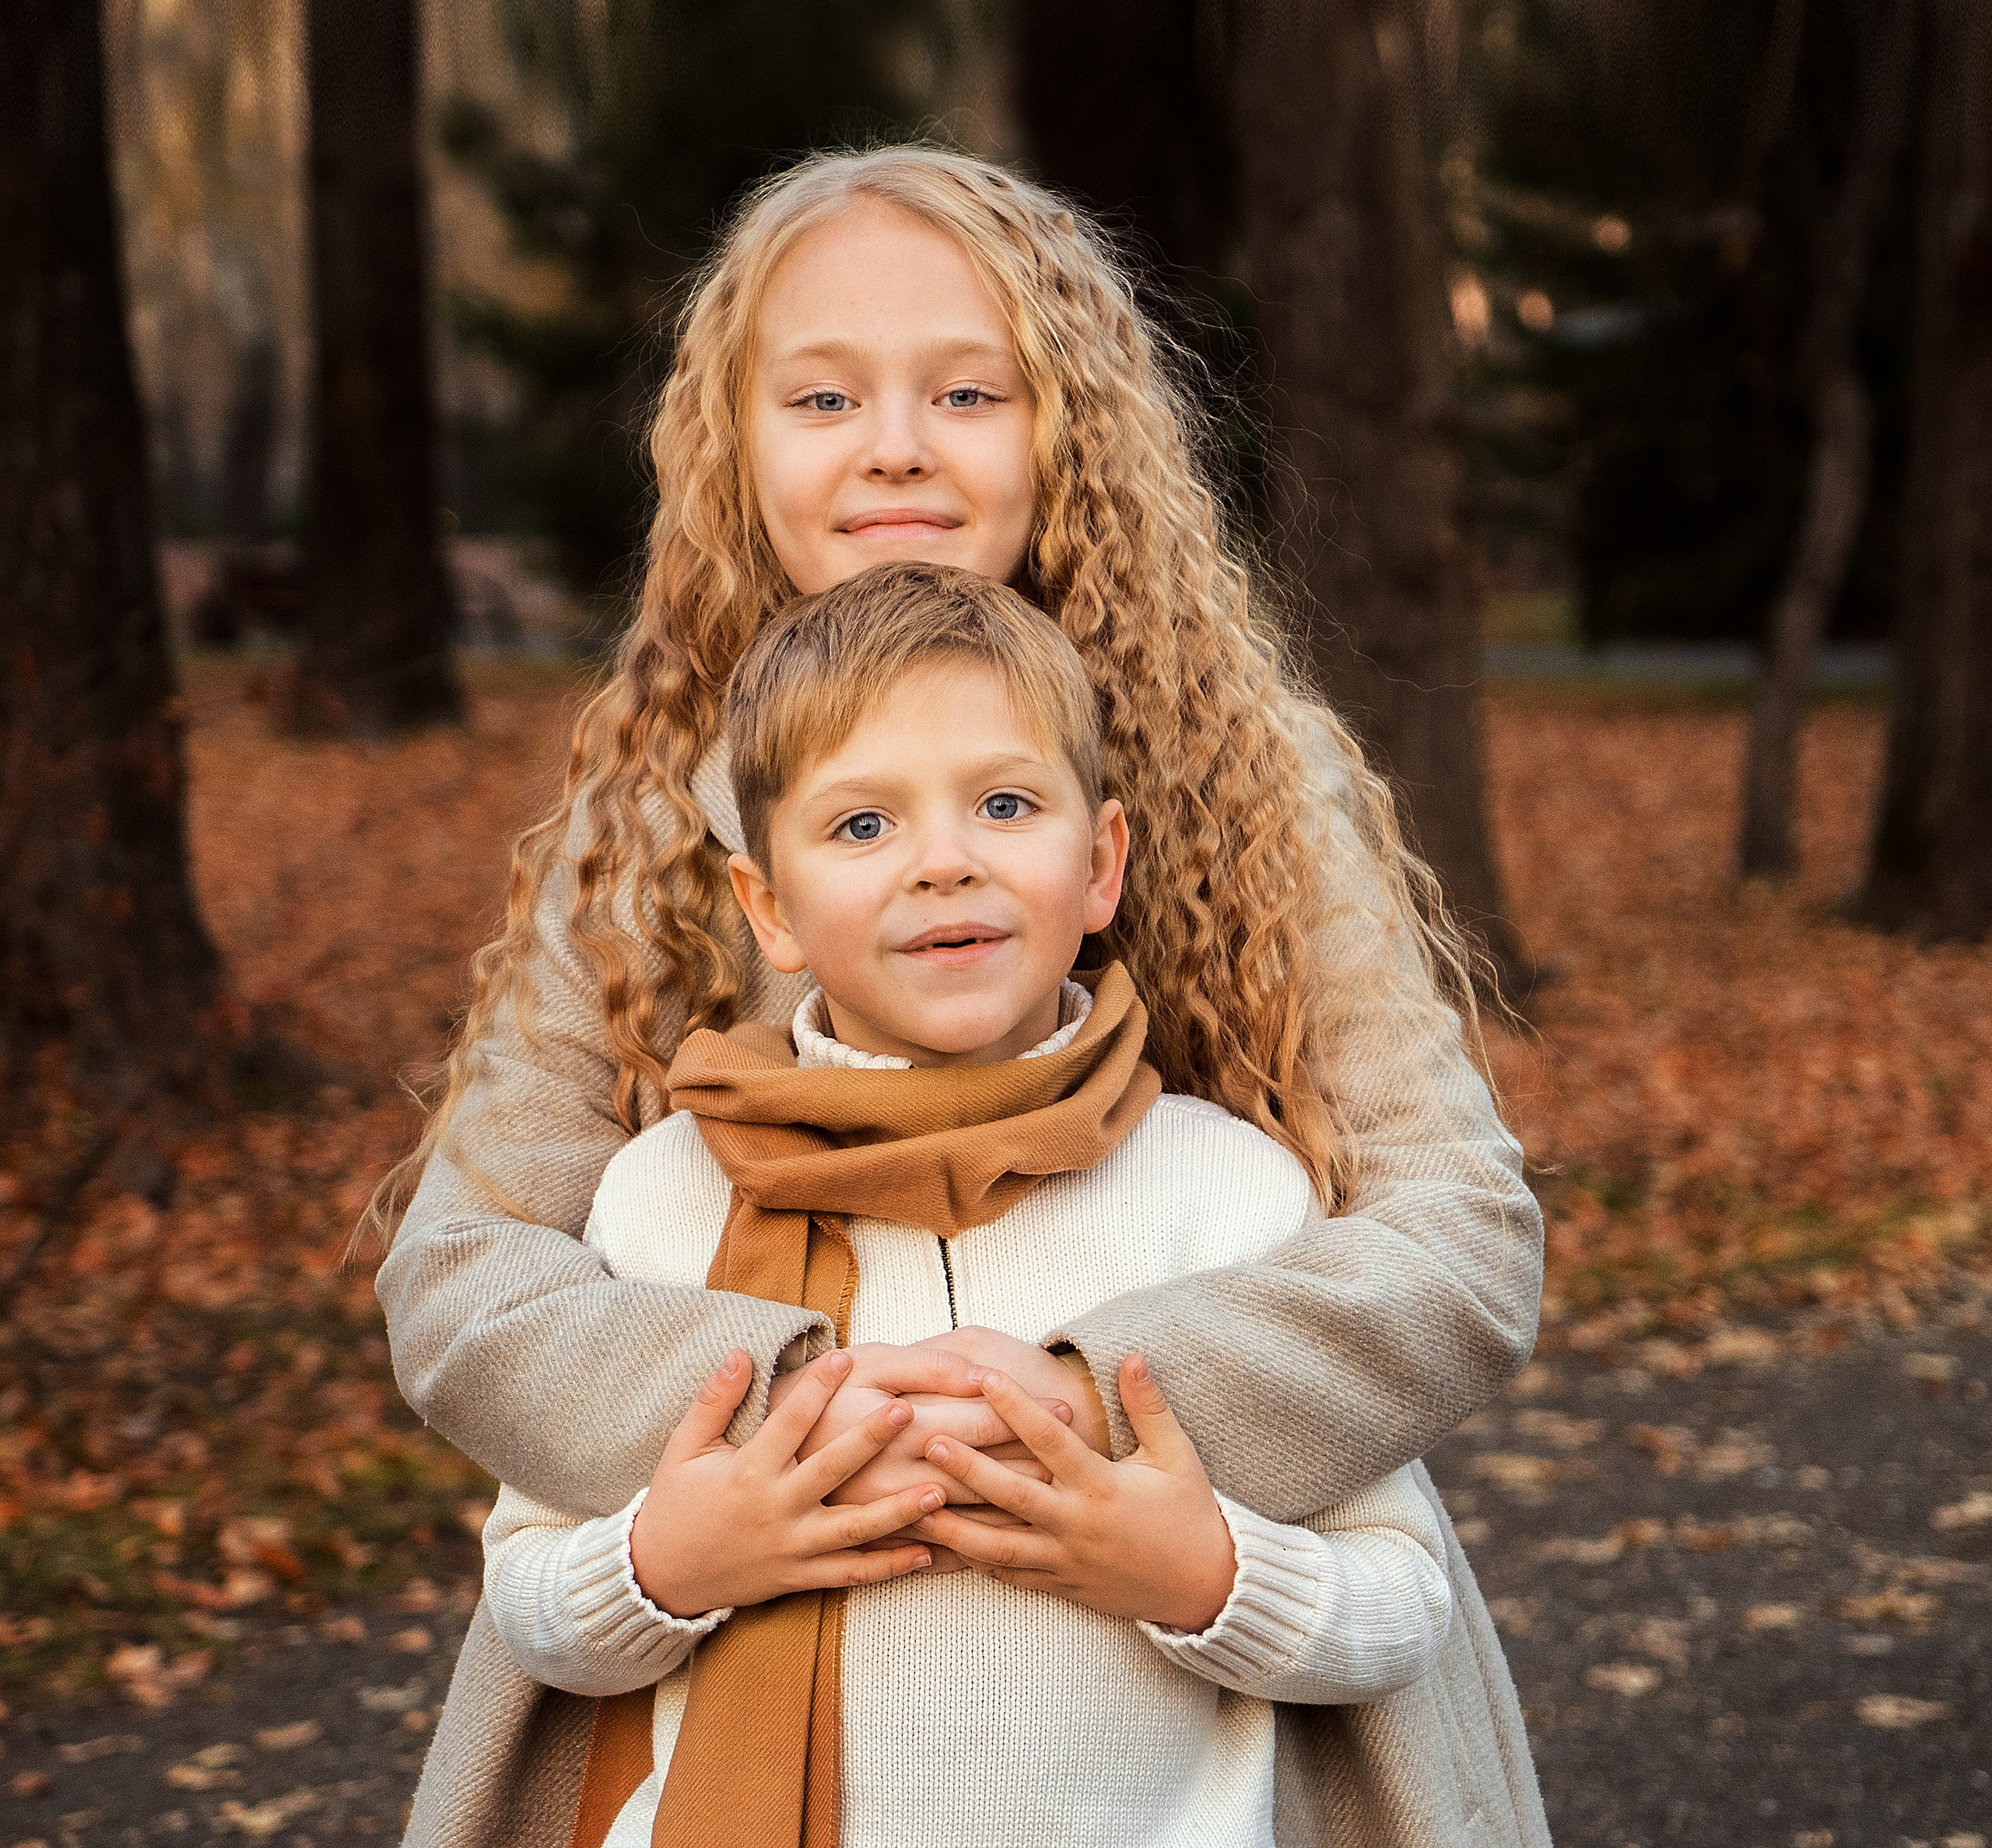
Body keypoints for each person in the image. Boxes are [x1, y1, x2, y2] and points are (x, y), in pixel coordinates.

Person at [377, 145, 1545, 1846]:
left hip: (1208, 1702)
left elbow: (1455, 1238)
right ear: (736, 442)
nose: (894, 445)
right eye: (824, 395)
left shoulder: (1241, 773)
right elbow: (463, 1283)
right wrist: (801, 1413)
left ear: (1061, 427)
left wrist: (1083, 1403)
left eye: (966, 389)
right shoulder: (655, 806)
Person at [466, 564, 1500, 1845]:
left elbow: (1403, 1599)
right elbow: (527, 1597)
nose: (943, 863)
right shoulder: (664, 1196)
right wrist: (663, 1569)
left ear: (1102, 863)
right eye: (862, 827)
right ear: (769, 908)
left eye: (1005, 804)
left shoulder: (1233, 1192)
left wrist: (1205, 1578)